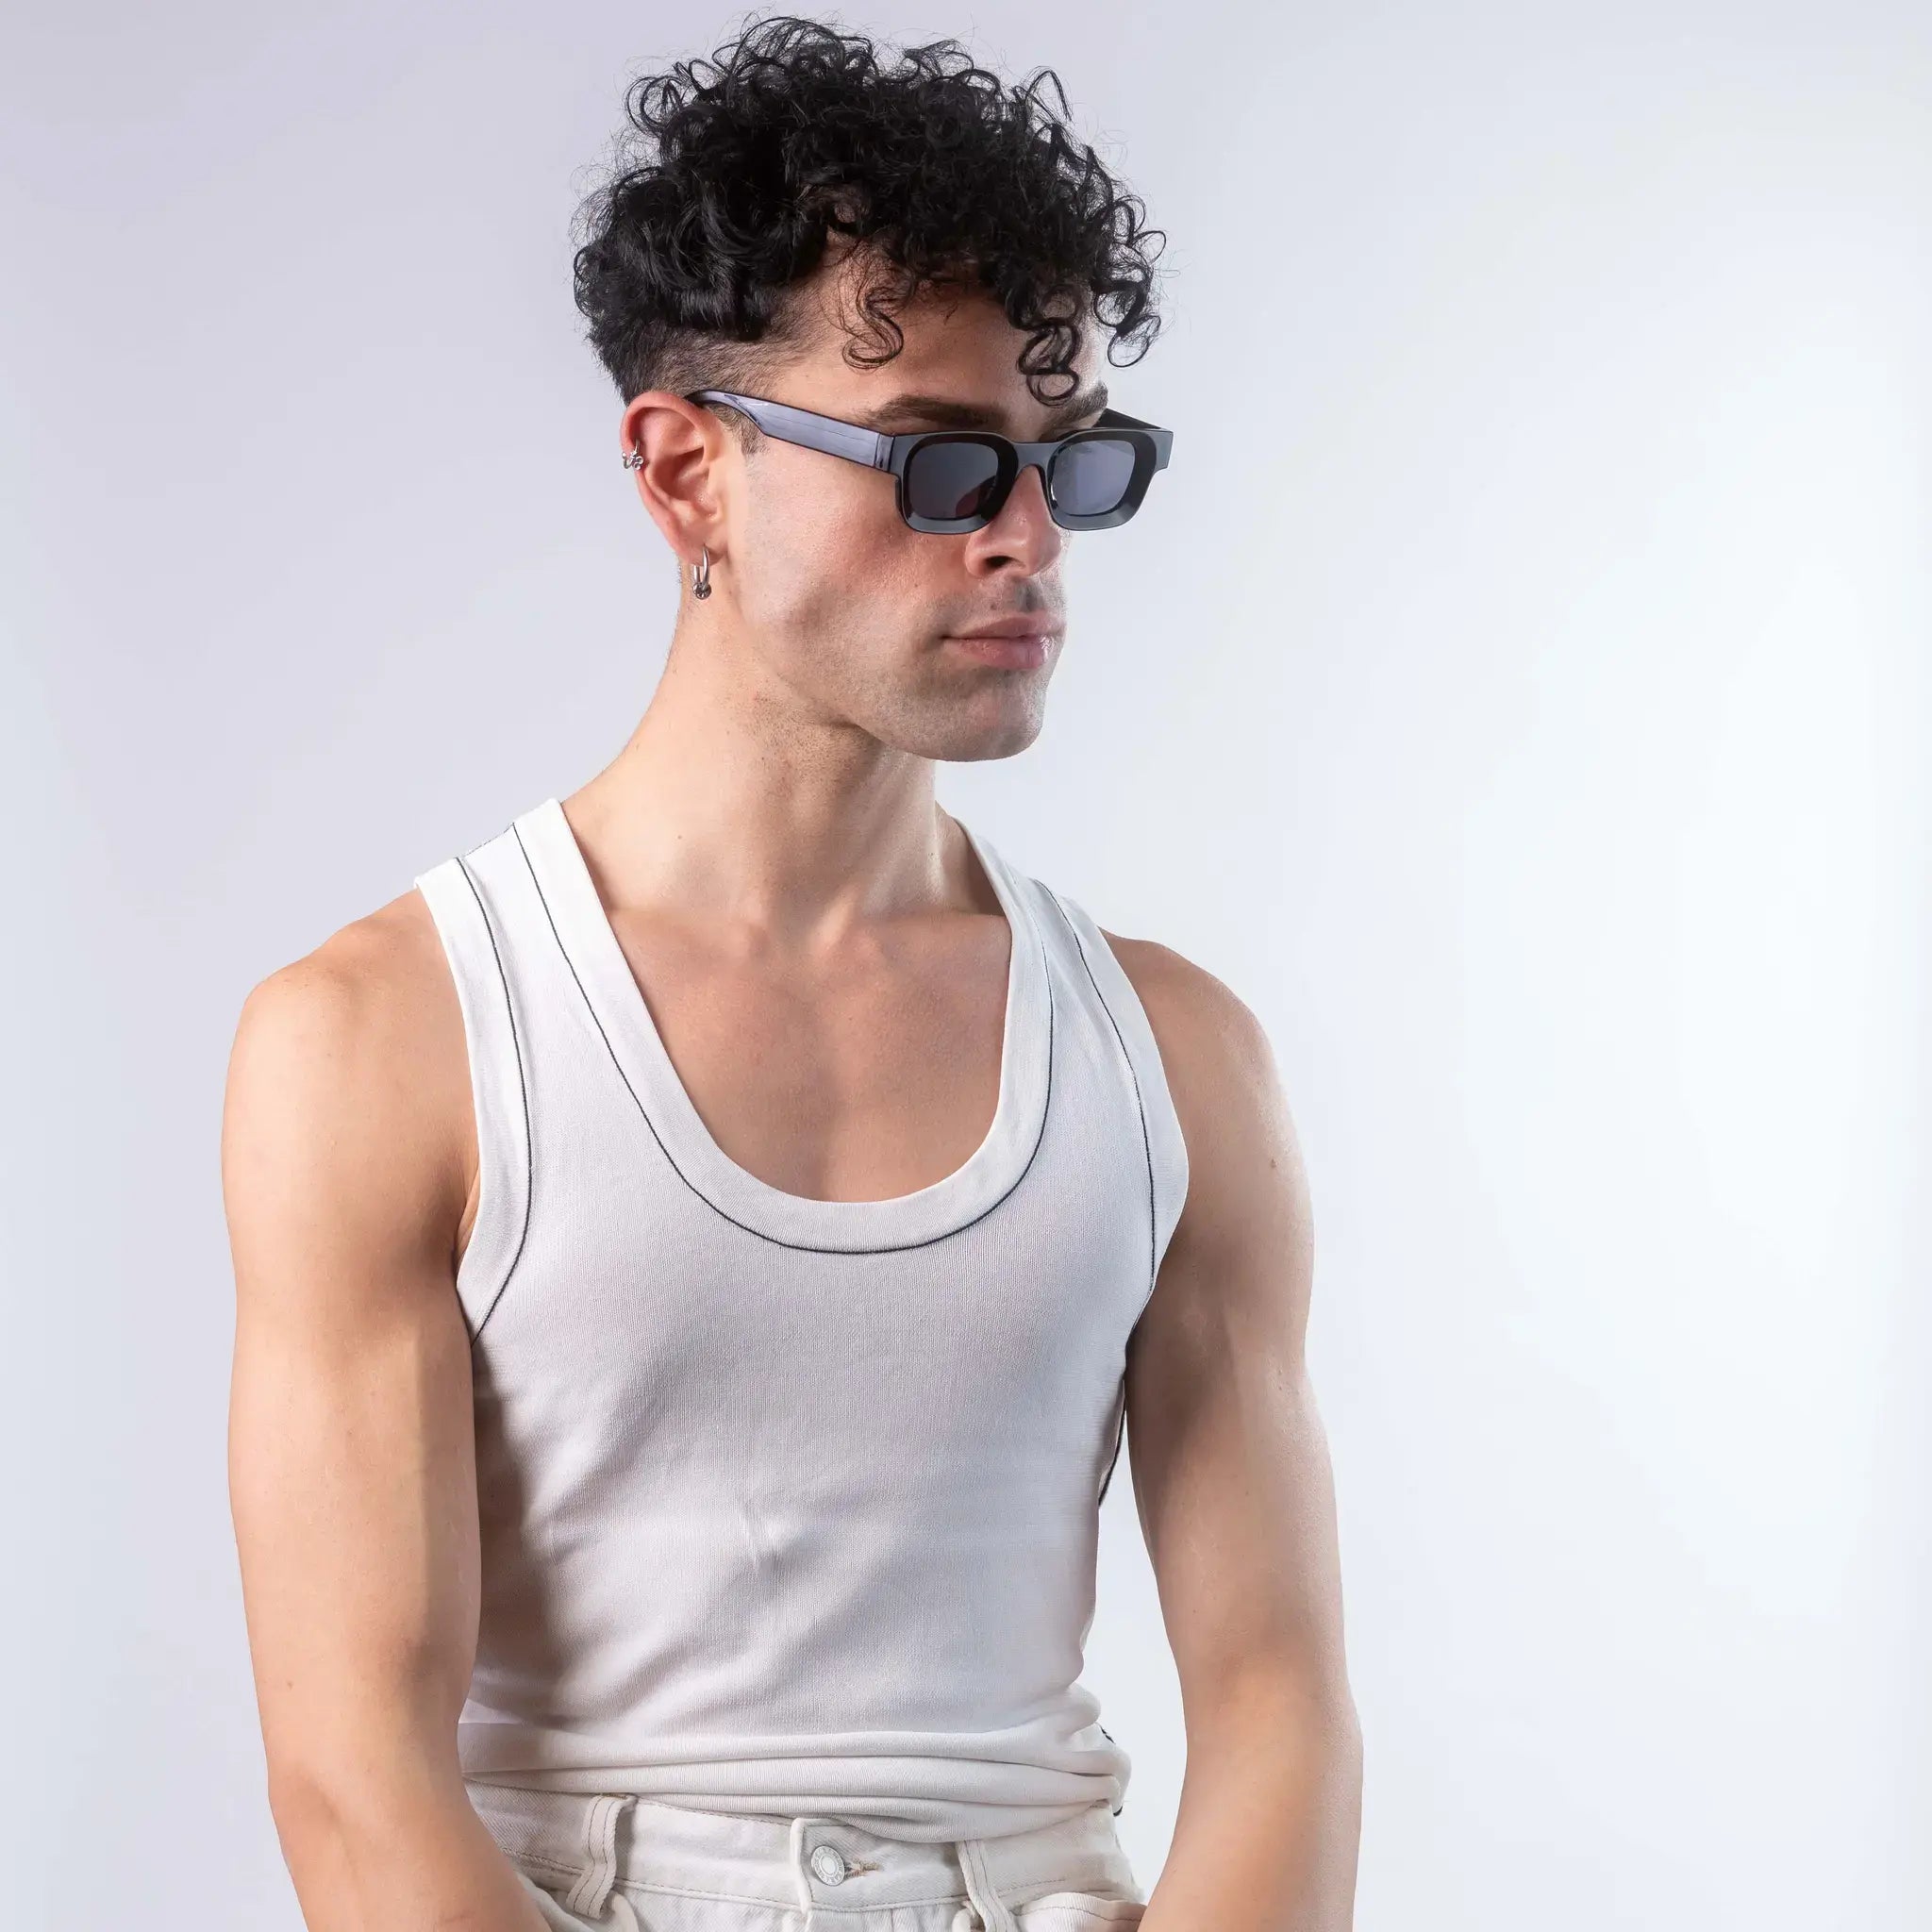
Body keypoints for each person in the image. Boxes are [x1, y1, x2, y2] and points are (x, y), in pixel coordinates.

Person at [222, 15, 1361, 1931]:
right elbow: (354, 1775)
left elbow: (1278, 1710)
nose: (1026, 545)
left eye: (1067, 472)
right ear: (686, 478)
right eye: (937, 469)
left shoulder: (1173, 1058)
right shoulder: (384, 1038)